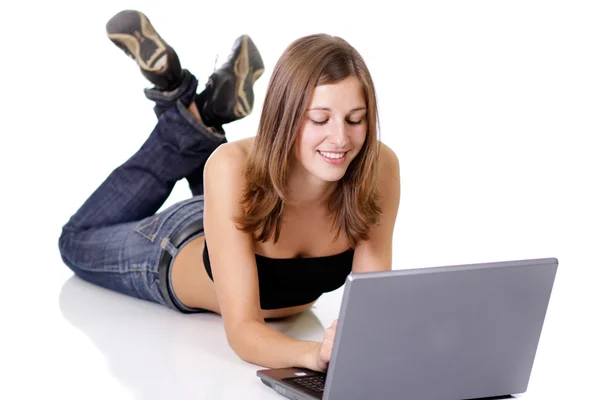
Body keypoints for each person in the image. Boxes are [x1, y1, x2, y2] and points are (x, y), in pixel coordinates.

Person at [58, 9, 400, 373]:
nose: (341, 138)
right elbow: (244, 331)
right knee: (76, 239)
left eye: (355, 119)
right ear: (284, 114)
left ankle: (200, 108)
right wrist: (312, 355)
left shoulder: (378, 169)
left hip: (232, 207)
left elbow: (371, 311)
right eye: (320, 119)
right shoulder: (232, 166)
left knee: (227, 172)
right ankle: (185, 112)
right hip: (168, 246)